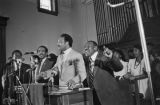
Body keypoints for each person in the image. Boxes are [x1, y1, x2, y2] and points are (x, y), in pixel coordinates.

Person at [83, 41, 133, 105]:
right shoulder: (87, 61)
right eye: (84, 47)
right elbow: (90, 77)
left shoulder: (104, 56)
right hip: (94, 95)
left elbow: (118, 67)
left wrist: (111, 57)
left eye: (88, 47)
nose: (85, 49)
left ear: (95, 48)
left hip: (107, 95)